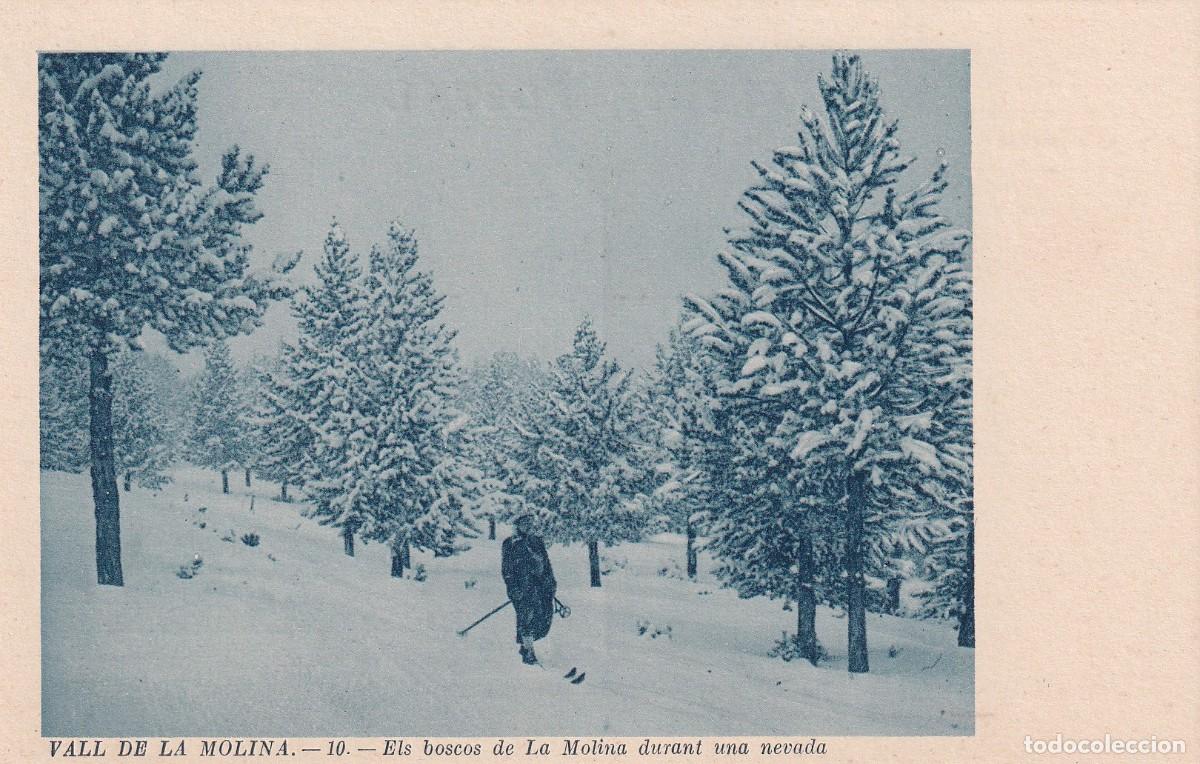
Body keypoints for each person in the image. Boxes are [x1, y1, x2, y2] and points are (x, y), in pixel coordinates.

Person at [501, 514, 556, 665]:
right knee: (526, 617)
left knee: (543, 617)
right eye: (524, 523)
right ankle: (528, 652)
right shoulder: (510, 544)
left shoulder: (536, 541)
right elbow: (506, 570)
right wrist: (513, 588)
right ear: (517, 525)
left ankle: (526, 646)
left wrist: (551, 583)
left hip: (540, 587)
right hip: (521, 588)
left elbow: (546, 564)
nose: (527, 526)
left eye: (529, 523)